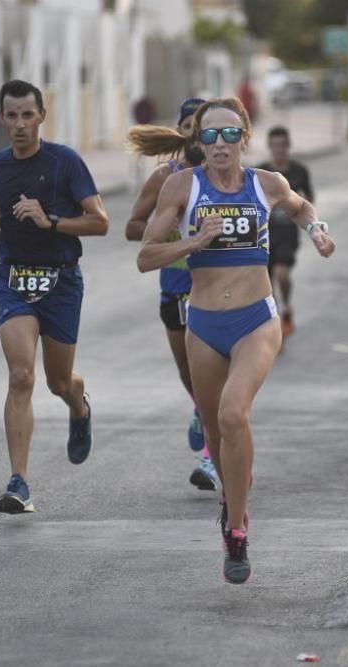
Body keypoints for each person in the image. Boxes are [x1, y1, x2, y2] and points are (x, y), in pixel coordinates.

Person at [135, 97, 335, 584]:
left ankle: (238, 531)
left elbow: (300, 206)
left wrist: (317, 230)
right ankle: (232, 501)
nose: (219, 144)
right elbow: (146, 256)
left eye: (229, 135)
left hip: (255, 320)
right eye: (209, 135)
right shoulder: (183, 185)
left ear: (245, 138)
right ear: (197, 141)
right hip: (202, 322)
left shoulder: (266, 183)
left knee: (231, 412)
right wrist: (194, 242)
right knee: (216, 431)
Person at [0, 79, 109, 514]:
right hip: (14, 278)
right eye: (11, 116)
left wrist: (51, 221)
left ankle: (78, 406)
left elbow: (100, 222)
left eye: (27, 115)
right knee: (21, 376)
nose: (20, 124)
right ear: (2, 120)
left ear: (42, 117)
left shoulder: (65, 162)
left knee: (58, 381)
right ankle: (19, 483)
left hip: (61, 280)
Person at [125, 97, 220, 493]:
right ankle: (200, 409)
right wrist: (172, 236)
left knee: (216, 376)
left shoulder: (227, 175)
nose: (197, 133)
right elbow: (133, 227)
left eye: (204, 126)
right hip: (176, 289)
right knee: (190, 374)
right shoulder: (165, 177)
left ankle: (211, 460)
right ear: (182, 132)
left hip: (217, 290)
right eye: (190, 126)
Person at [256, 126, 315, 339]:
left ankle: (287, 305)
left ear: (288, 146)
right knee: (267, 284)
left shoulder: (299, 171)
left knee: (282, 273)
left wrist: (304, 220)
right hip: (263, 235)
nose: (279, 150)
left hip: (288, 234)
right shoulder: (260, 173)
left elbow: (309, 200)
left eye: (283, 145)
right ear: (270, 147)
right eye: (275, 145)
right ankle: (274, 321)